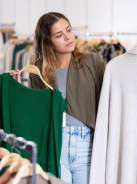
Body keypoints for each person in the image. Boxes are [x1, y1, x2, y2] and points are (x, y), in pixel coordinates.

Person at [10, 12, 106, 184]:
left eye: (69, 30)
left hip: (87, 146)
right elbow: (37, 114)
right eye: (58, 35)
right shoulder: (38, 69)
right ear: (47, 42)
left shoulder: (93, 62)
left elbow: (108, 99)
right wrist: (16, 87)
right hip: (56, 145)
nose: (68, 37)